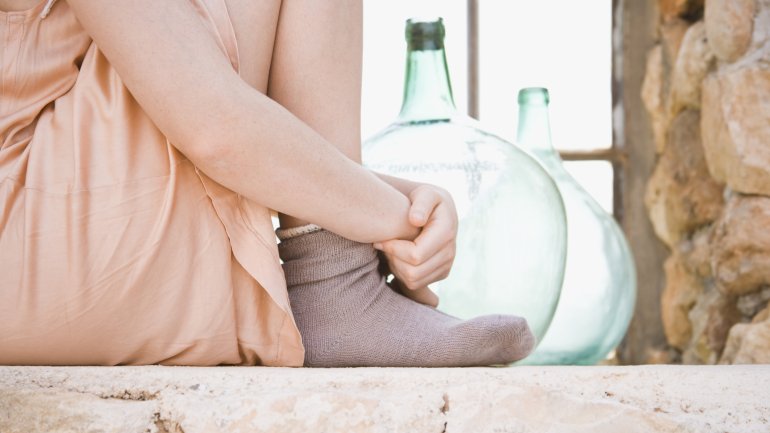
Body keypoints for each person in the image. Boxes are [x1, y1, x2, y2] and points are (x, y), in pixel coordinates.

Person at [0, 0, 534, 367]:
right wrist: (396, 221)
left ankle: (336, 280)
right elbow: (213, 127)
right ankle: (337, 287)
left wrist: (385, 200)